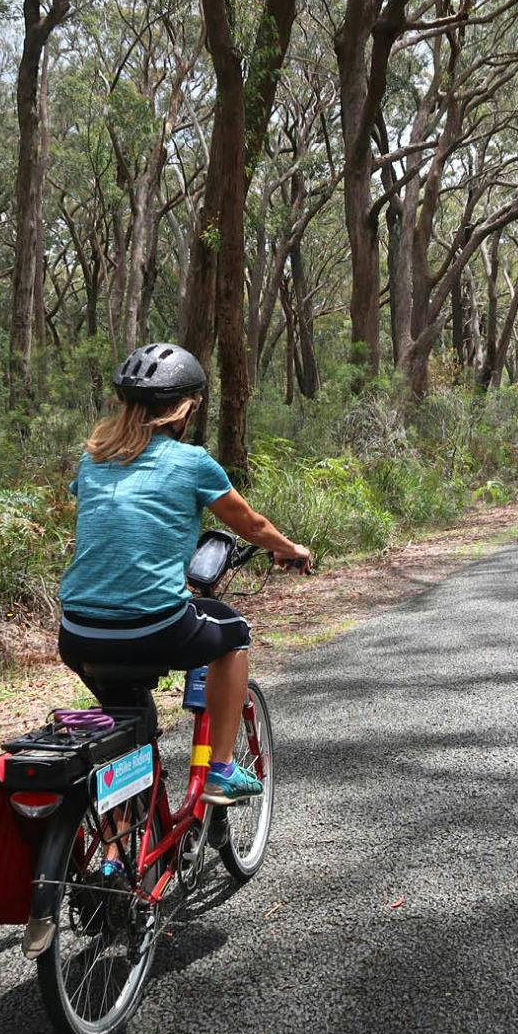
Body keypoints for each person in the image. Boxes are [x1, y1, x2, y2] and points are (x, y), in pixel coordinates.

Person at [57, 342, 312, 839]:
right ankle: (220, 769)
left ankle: (121, 852)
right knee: (234, 634)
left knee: (128, 726)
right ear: (185, 408)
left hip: (78, 632)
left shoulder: (91, 461)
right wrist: (292, 549)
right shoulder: (192, 462)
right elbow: (252, 525)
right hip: (153, 625)